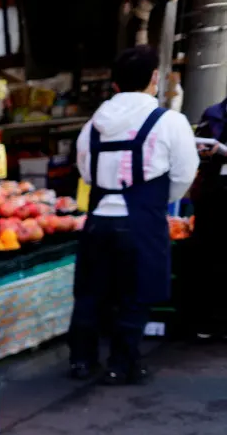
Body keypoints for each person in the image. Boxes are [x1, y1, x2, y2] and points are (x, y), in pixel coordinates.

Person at [69, 46, 198, 384]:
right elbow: (185, 173)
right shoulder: (169, 122)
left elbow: (85, 172)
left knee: (91, 292)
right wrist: (156, 201)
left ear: (114, 84)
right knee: (135, 294)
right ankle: (121, 364)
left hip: (97, 220)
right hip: (142, 220)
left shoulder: (92, 127)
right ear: (154, 79)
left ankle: (81, 361)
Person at [188, 96, 227, 339]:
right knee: (208, 253)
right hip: (213, 191)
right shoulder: (213, 113)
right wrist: (203, 151)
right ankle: (206, 321)